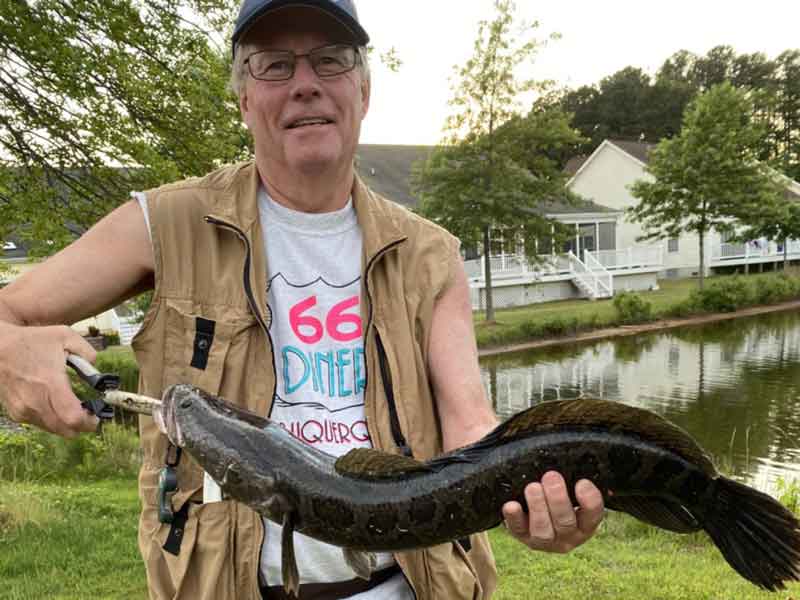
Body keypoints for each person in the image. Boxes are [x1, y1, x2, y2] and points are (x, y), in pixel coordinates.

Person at [0, 1, 605, 598]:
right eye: (275, 65)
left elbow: (469, 424)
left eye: (330, 60)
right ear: (243, 99)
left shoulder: (431, 254)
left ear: (363, 92)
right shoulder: (163, 224)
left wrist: (536, 493)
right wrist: (10, 349)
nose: (306, 85)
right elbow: (8, 312)